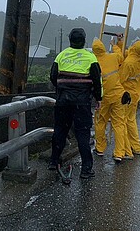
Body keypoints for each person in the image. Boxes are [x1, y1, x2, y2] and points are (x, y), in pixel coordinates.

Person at [49, 28, 102, 179]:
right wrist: (98, 98)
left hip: (63, 101)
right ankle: (86, 169)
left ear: (70, 40)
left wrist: (62, 89)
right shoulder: (90, 57)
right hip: (82, 103)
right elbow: (97, 81)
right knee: (83, 134)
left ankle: (53, 161)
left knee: (60, 131)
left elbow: (53, 76)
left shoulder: (61, 55)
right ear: (84, 41)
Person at [91, 36, 126, 163]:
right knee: (119, 124)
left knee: (100, 123)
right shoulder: (113, 57)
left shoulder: (93, 63)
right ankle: (119, 153)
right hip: (118, 96)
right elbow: (120, 56)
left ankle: (100, 148)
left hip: (103, 98)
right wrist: (115, 44)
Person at [118, 38, 140, 159]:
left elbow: (120, 79)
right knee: (131, 121)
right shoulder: (139, 59)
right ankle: (136, 147)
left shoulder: (128, 62)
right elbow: (127, 52)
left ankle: (126, 150)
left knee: (122, 122)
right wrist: (120, 43)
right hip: (135, 94)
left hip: (126, 96)